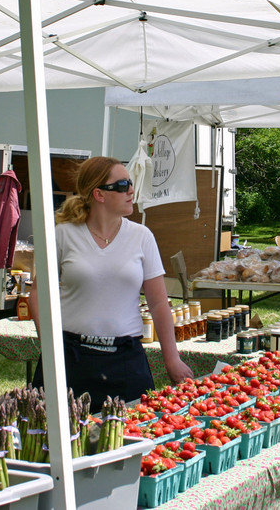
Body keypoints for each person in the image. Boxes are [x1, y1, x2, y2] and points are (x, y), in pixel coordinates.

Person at [27, 156, 193, 406]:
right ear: (99, 194)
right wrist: (50, 348)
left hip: (125, 360)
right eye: (122, 185)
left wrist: (172, 360)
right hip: (70, 357)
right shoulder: (62, 235)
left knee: (132, 429)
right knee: (62, 431)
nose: (131, 190)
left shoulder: (142, 237)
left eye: (130, 183)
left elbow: (159, 303)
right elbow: (38, 294)